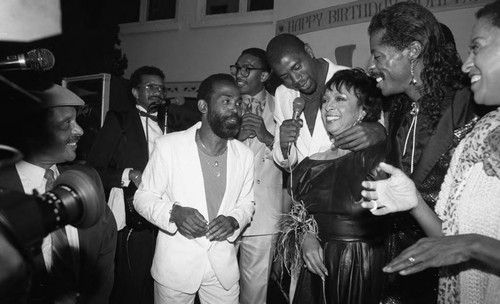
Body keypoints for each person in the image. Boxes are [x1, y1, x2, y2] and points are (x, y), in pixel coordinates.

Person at [361, 2, 500, 303]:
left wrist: (472, 245)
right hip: (407, 262)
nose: (371, 66)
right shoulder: (397, 110)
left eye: (378, 55)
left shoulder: (472, 103)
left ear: (412, 51)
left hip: (456, 274)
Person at [133, 74, 255, 303]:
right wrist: (174, 213)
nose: (235, 109)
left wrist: (234, 221)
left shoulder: (245, 155)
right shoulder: (169, 146)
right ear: (203, 106)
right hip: (176, 269)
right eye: (226, 101)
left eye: (239, 103)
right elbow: (143, 197)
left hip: (223, 270)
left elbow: (247, 204)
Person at [276, 68, 388, 304]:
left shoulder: (378, 158)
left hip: (361, 266)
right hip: (315, 270)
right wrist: (305, 235)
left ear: (364, 110)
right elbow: (297, 214)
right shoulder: (308, 165)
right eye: (325, 100)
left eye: (340, 98)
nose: (328, 106)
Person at [0, 84, 117, 303]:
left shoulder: (87, 179)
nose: (79, 130)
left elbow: (105, 249)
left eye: (76, 121)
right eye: (67, 123)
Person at [87, 66, 167, 304]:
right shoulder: (119, 120)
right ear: (135, 92)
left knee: (158, 281)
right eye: (150, 87)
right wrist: (128, 173)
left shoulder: (170, 123)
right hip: (134, 215)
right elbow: (92, 169)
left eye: (160, 88)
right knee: (132, 280)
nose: (157, 92)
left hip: (165, 214)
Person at [265, 33, 386, 170]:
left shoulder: (351, 80)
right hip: (306, 187)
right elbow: (286, 162)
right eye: (285, 76)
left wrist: (380, 130)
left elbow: (382, 125)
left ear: (309, 51)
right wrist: (284, 144)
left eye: (297, 67)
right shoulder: (282, 94)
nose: (295, 79)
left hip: (351, 182)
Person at [230, 48, 284, 304]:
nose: (239, 74)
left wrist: (267, 137)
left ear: (264, 76)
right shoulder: (225, 102)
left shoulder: (283, 105)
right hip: (225, 210)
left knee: (255, 294)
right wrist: (236, 140)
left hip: (264, 215)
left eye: (247, 69)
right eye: (237, 67)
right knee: (220, 289)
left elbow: (297, 158)